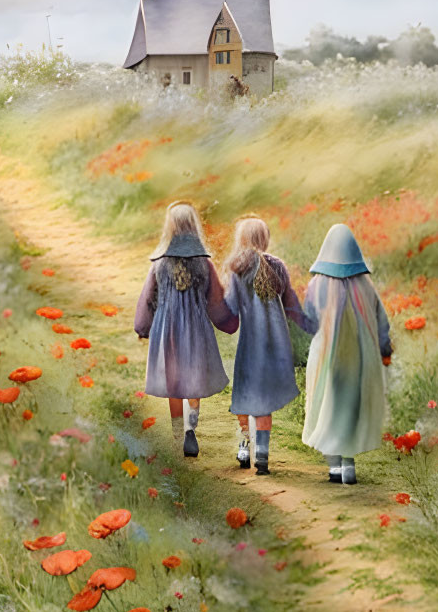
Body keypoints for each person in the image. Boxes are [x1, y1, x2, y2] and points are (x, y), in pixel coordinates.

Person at [134, 201, 238, 457]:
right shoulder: (204, 263)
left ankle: (177, 434)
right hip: (196, 329)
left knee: (174, 382)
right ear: (194, 226)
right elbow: (215, 301)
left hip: (167, 329)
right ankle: (192, 428)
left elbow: (149, 298)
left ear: (169, 227)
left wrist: (143, 326)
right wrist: (226, 321)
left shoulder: (159, 263)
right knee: (193, 378)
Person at [222, 217, 315, 475]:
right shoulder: (278, 267)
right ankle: (262, 457)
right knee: (264, 401)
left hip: (250, 345)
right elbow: (293, 307)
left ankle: (244, 446)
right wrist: (314, 328)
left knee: (244, 396)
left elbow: (229, 309)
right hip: (275, 347)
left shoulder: (237, 268)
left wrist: (214, 313)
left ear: (241, 239)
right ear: (265, 239)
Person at [301, 224, 393, 485]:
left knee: (326, 407)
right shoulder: (365, 285)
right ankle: (348, 463)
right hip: (361, 358)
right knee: (350, 407)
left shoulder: (317, 284)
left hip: (326, 357)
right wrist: (385, 350)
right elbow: (382, 323)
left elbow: (309, 320)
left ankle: (334, 468)